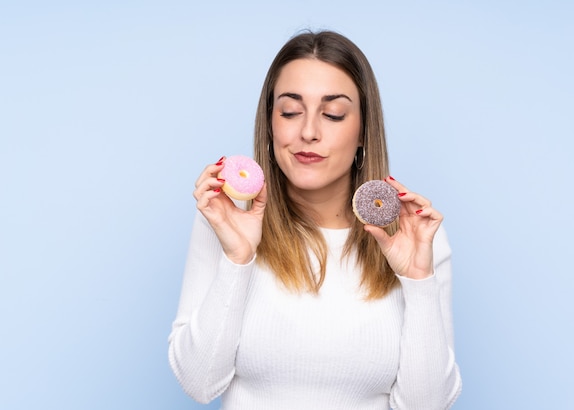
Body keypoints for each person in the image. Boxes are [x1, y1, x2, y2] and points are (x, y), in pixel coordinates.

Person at [168, 30, 462, 410]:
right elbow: (199, 383)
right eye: (290, 112)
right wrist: (237, 259)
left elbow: (427, 406)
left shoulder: (417, 237)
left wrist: (418, 281)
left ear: (363, 132)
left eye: (333, 114)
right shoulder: (225, 221)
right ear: (270, 124)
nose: (308, 132)